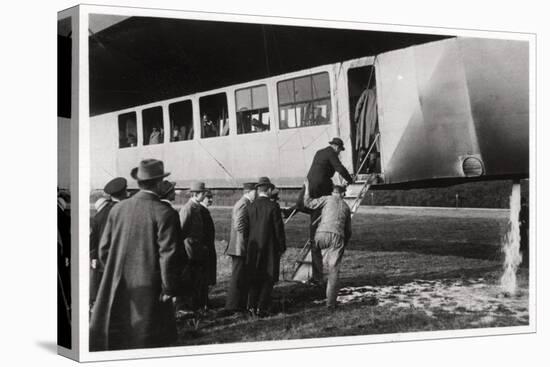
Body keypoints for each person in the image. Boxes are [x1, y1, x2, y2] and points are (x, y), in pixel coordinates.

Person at [89, 159, 187, 351]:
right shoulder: (164, 213)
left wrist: (115, 272)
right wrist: (169, 288)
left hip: (117, 284)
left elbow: (104, 250)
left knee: (118, 336)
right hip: (150, 289)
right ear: (159, 183)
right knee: (148, 340)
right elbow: (168, 256)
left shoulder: (118, 208)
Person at [303, 184, 352, 309]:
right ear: (342, 194)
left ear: (333, 192)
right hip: (337, 236)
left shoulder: (326, 199)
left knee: (315, 249)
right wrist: (343, 244)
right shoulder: (346, 206)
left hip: (320, 234)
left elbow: (308, 203)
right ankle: (330, 304)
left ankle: (317, 278)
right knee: (333, 270)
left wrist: (307, 188)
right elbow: (348, 231)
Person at [245, 177, 286, 317]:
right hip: (270, 248)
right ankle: (262, 308)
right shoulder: (273, 206)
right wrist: (282, 247)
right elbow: (278, 229)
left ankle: (251, 307)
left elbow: (246, 229)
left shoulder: (250, 206)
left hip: (253, 248)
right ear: (268, 190)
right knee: (268, 278)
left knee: (254, 277)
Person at [89, 177, 128, 310]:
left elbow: (93, 237)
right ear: (124, 192)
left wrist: (94, 256)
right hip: (120, 258)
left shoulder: (100, 214)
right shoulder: (125, 211)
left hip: (103, 259)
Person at [223, 182, 257, 314]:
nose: (257, 194)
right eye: (255, 191)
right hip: (239, 247)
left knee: (241, 276)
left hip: (240, 247)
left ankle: (238, 304)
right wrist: (250, 236)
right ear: (249, 192)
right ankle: (232, 306)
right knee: (237, 277)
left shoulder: (245, 202)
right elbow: (239, 225)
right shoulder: (243, 203)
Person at [178, 181, 210, 313]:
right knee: (192, 281)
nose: (205, 195)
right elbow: (181, 231)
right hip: (191, 251)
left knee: (198, 281)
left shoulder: (196, 207)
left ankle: (197, 307)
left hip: (198, 250)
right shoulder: (188, 209)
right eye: (203, 193)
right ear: (197, 194)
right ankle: (191, 308)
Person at [199, 190, 217, 308]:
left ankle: (205, 301)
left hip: (208, 248)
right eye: (207, 197)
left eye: (211, 197)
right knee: (203, 277)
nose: (210, 200)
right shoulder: (201, 211)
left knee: (206, 277)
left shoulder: (204, 210)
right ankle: (203, 302)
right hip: (204, 249)